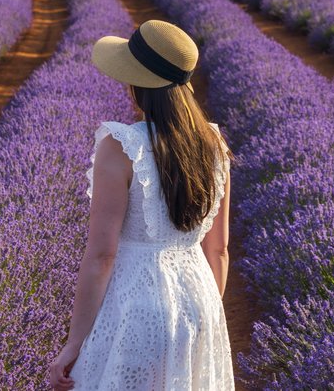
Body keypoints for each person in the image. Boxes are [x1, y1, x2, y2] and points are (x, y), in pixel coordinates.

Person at [47, 19, 235, 390]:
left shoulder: (122, 146)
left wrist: (75, 342)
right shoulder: (214, 145)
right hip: (199, 298)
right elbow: (221, 250)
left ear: (138, 84)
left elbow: (102, 256)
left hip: (136, 304)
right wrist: (206, 315)